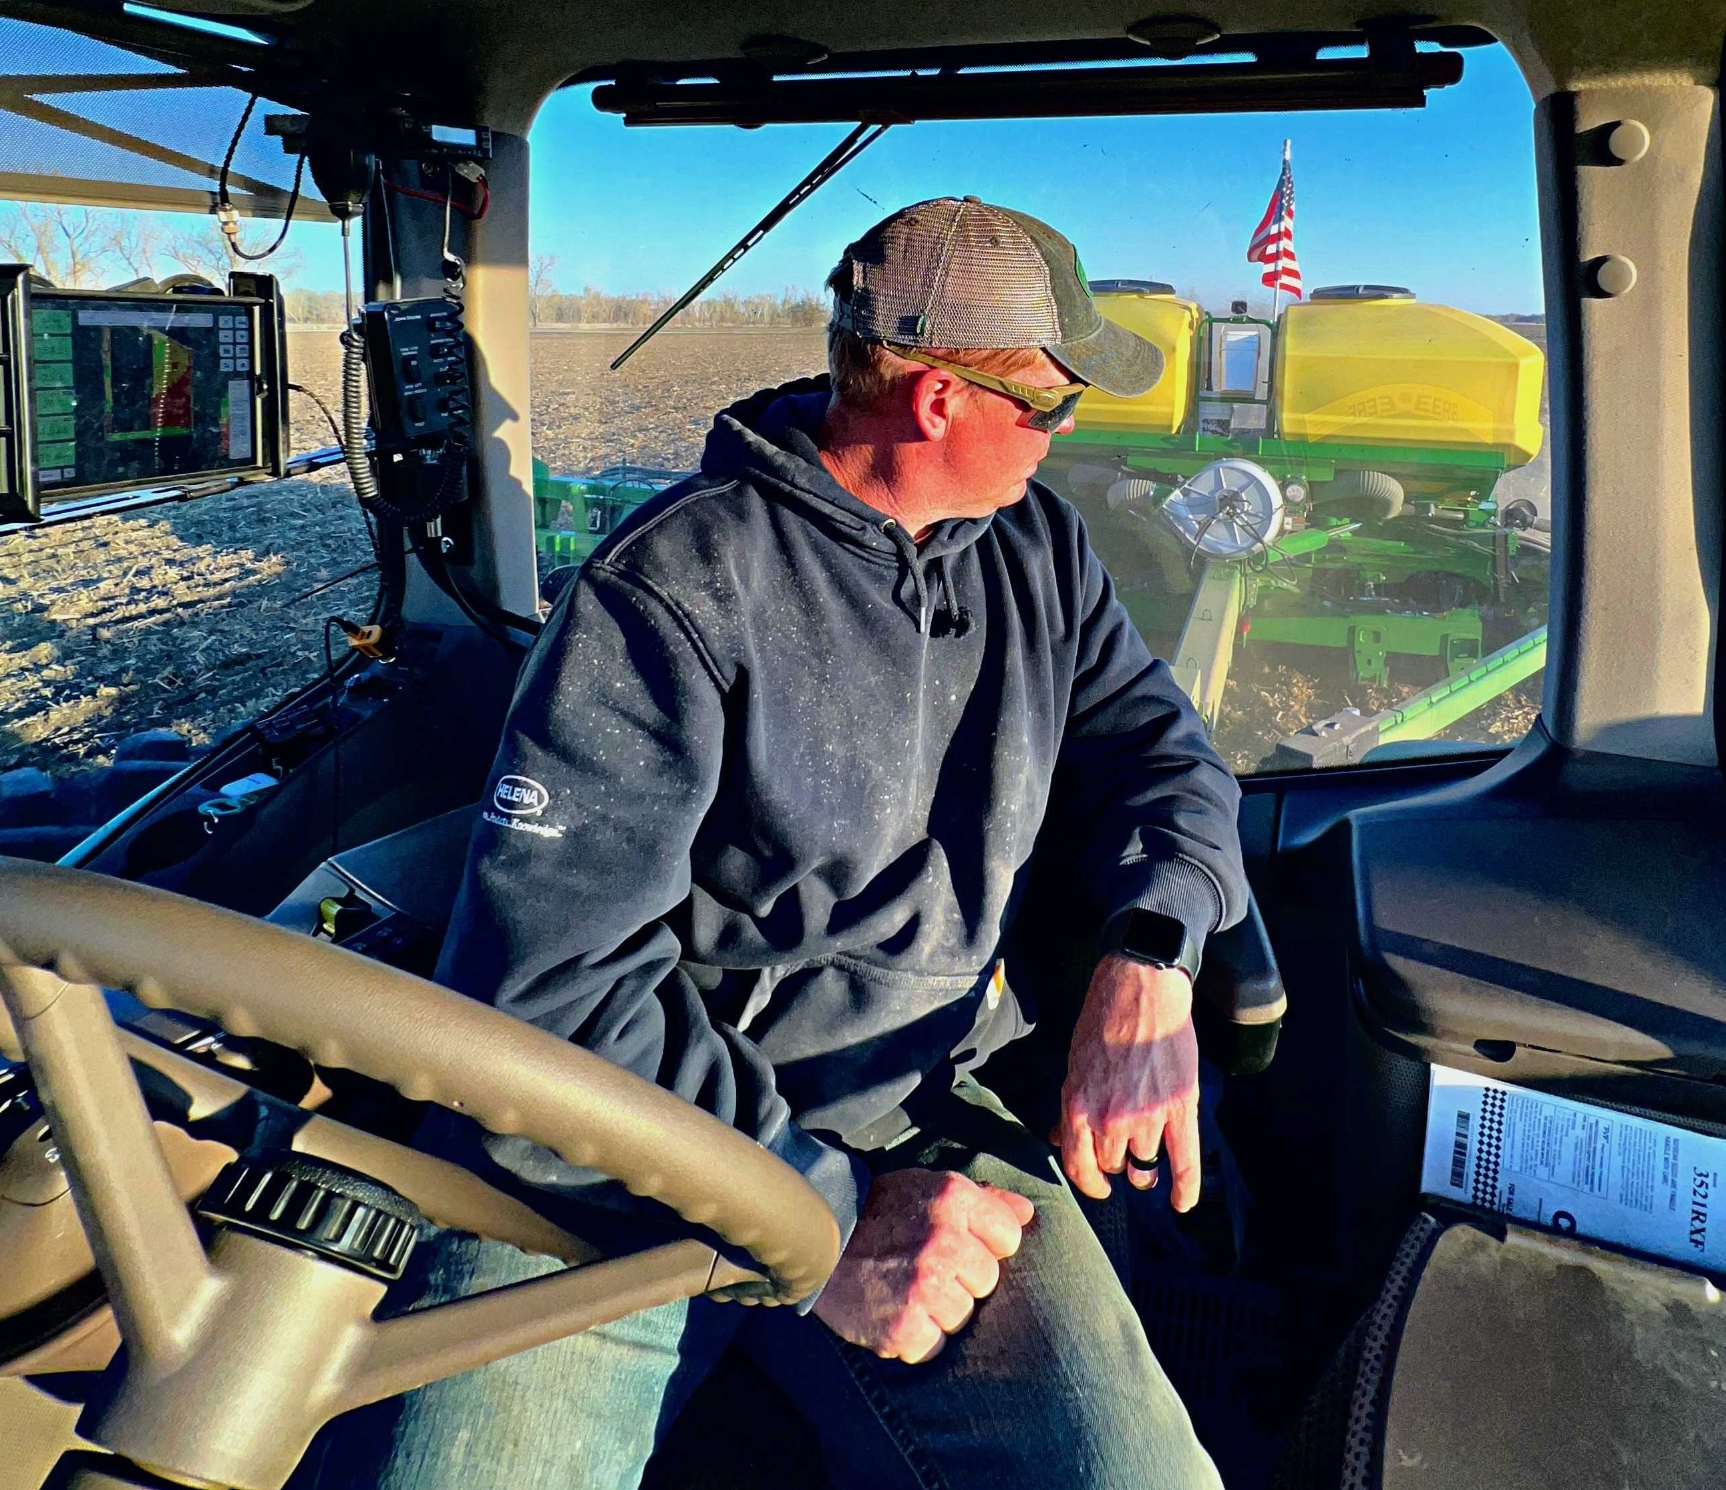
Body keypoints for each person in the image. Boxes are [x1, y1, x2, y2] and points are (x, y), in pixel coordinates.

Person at [305, 197, 1247, 1490]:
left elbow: (1166, 757)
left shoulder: (1040, 554)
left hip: (917, 1109)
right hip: (623, 1155)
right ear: (936, 400)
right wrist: (824, 1218)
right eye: (1052, 404)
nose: (1066, 431)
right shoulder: (667, 594)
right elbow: (546, 1000)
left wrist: (1152, 950)